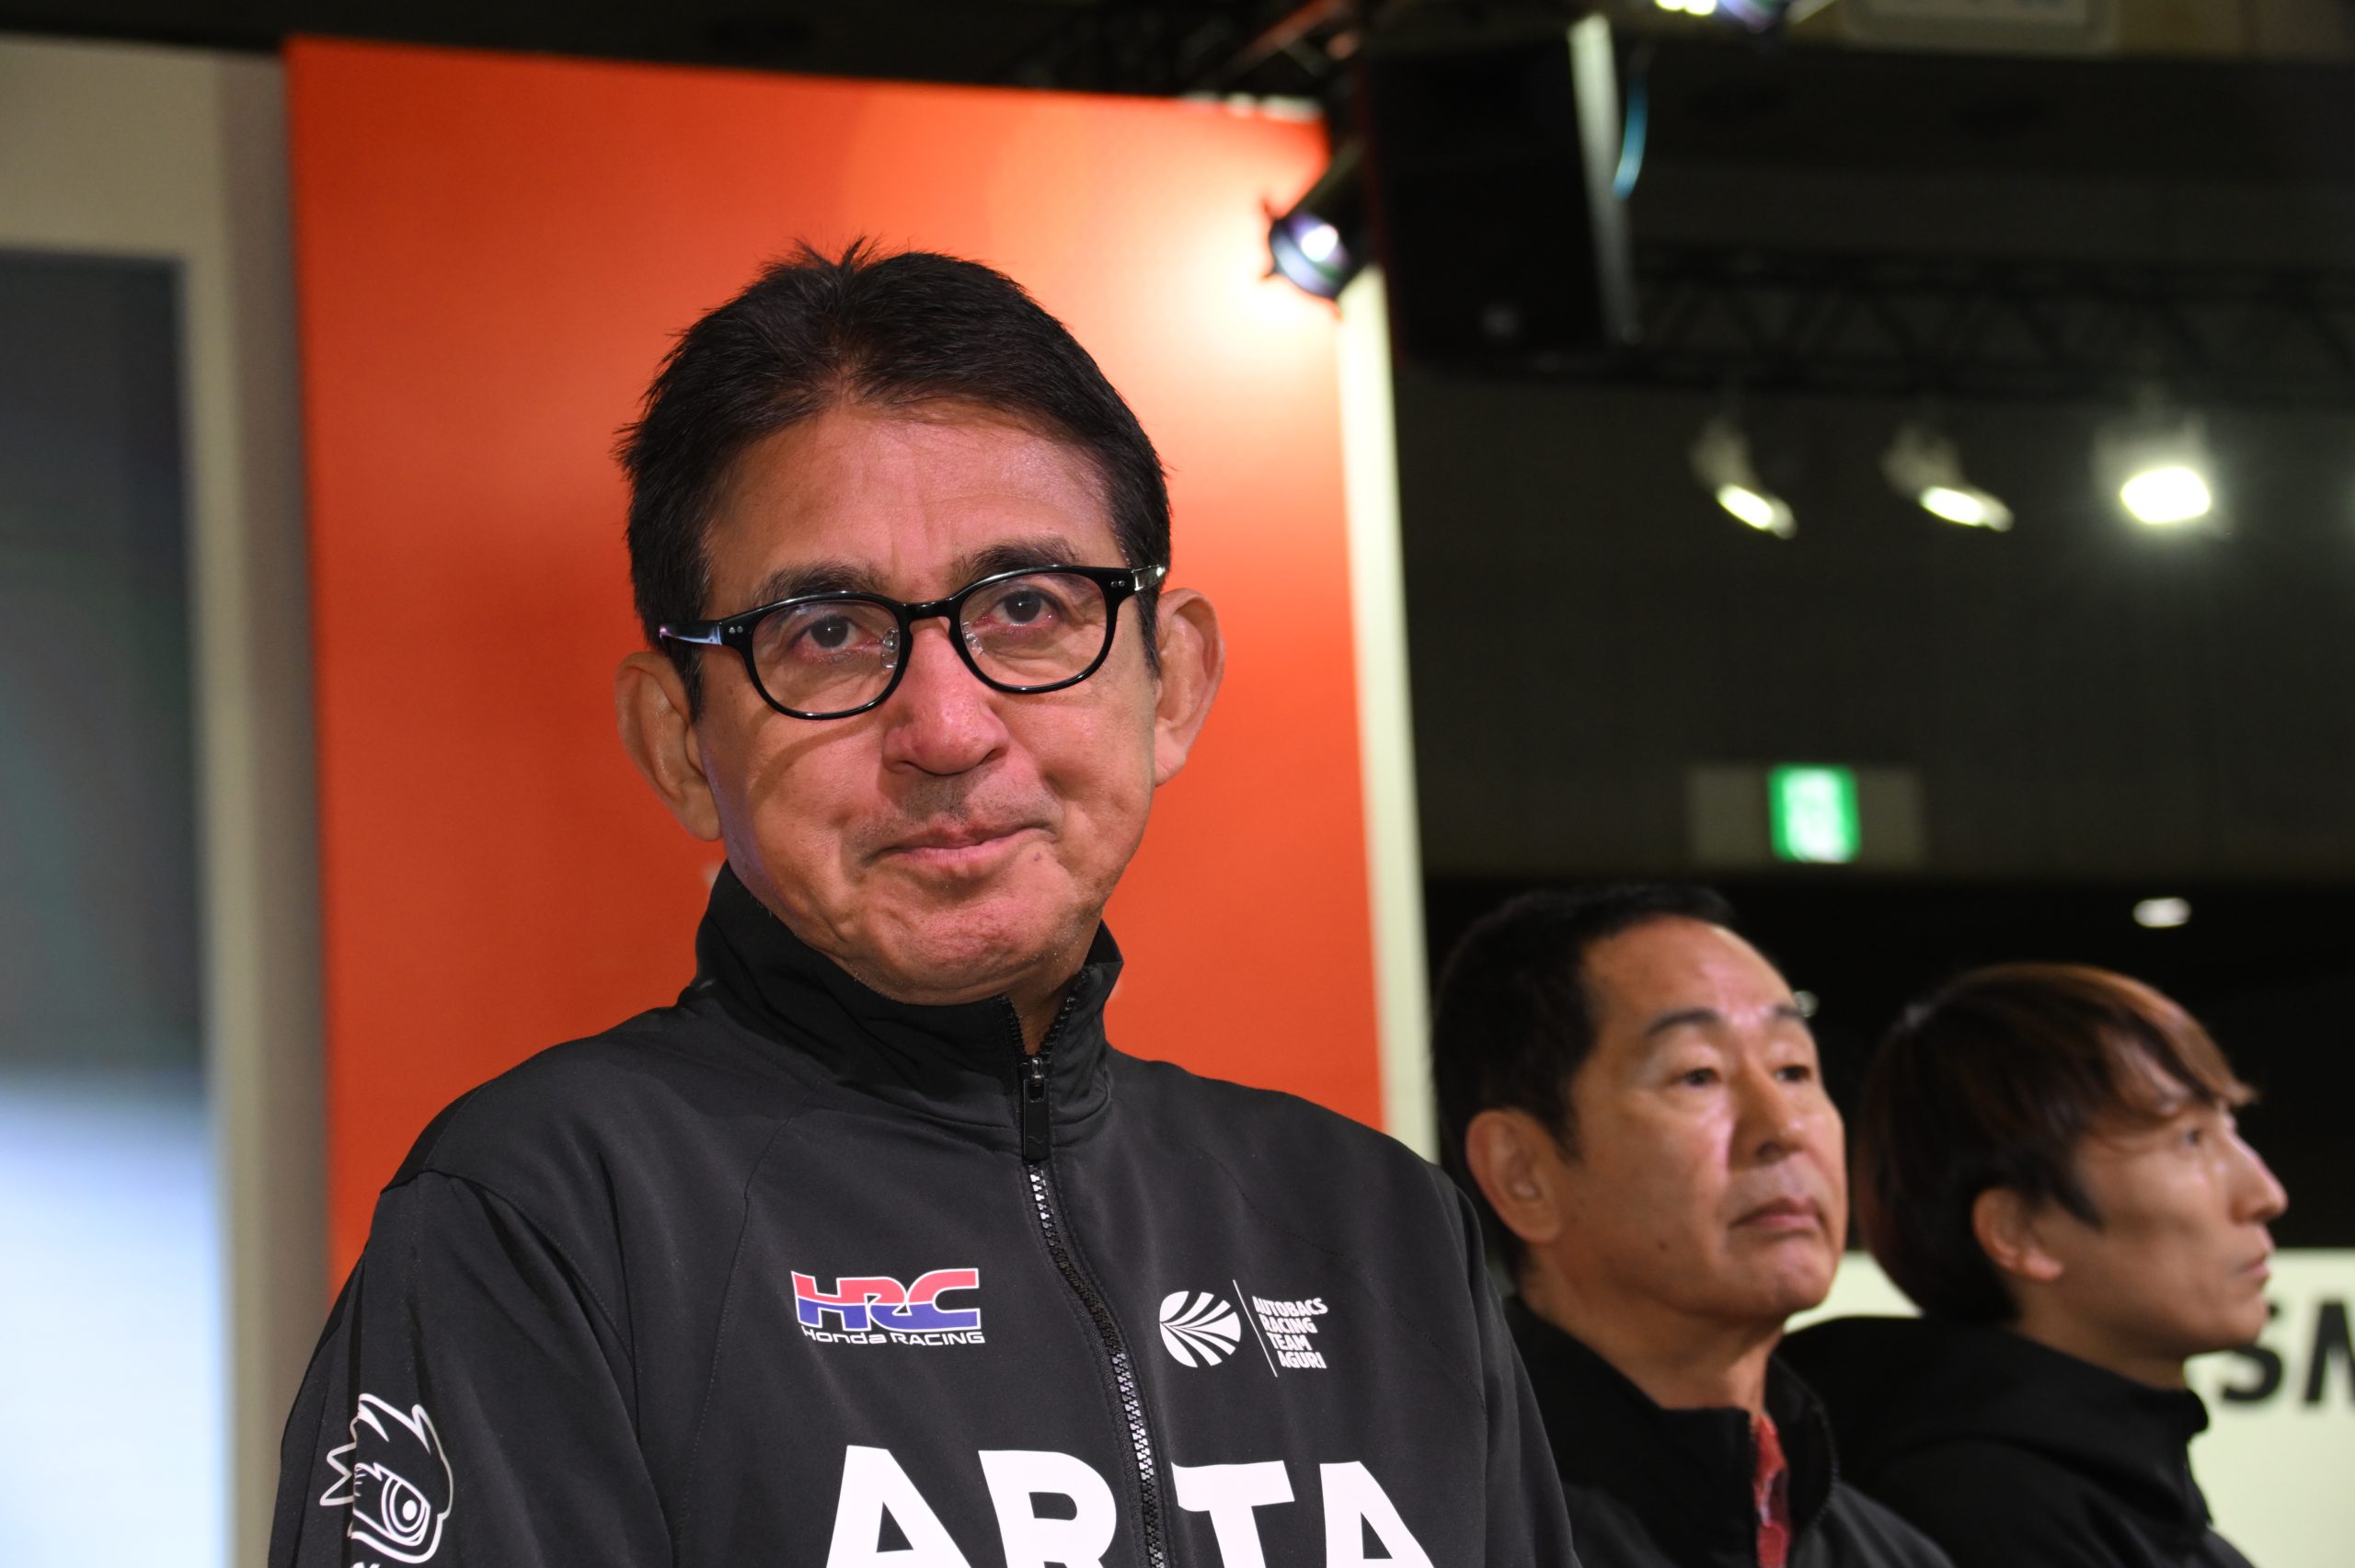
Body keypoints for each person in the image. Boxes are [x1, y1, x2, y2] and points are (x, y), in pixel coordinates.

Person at [270, 244, 1578, 1568]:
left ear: (1171, 681)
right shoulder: (549, 1213)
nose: (947, 729)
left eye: (1027, 607)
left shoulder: (1380, 1229)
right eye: (828, 632)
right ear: (678, 741)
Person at [1432, 885, 1949, 1568]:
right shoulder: (1442, 1527)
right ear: (1522, 1172)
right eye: (1697, 1074)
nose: (1783, 1127)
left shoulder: (1893, 1552)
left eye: (1794, 1068)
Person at [1782, 963, 2287, 1568]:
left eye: (2230, 1126)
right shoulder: (1980, 1512)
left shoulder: (2139, 1513)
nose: (2264, 1193)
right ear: (2021, 1231)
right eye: (2189, 1139)